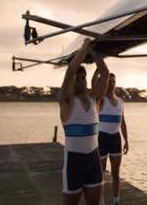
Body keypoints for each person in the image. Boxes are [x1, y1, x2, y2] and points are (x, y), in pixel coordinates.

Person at [59, 38, 110, 204]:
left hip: (93, 160)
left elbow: (105, 73)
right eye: (78, 78)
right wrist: (84, 47)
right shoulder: (66, 100)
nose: (81, 80)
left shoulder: (95, 99)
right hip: (74, 163)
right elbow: (70, 70)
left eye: (83, 77)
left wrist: (93, 52)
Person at [92, 71, 129, 205]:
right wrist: (98, 69)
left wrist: (126, 140)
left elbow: (123, 122)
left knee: (116, 172)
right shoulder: (100, 100)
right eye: (109, 81)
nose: (111, 84)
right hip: (102, 138)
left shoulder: (121, 101)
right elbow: (94, 87)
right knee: (100, 173)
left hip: (116, 139)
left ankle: (116, 200)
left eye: (113, 81)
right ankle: (101, 201)